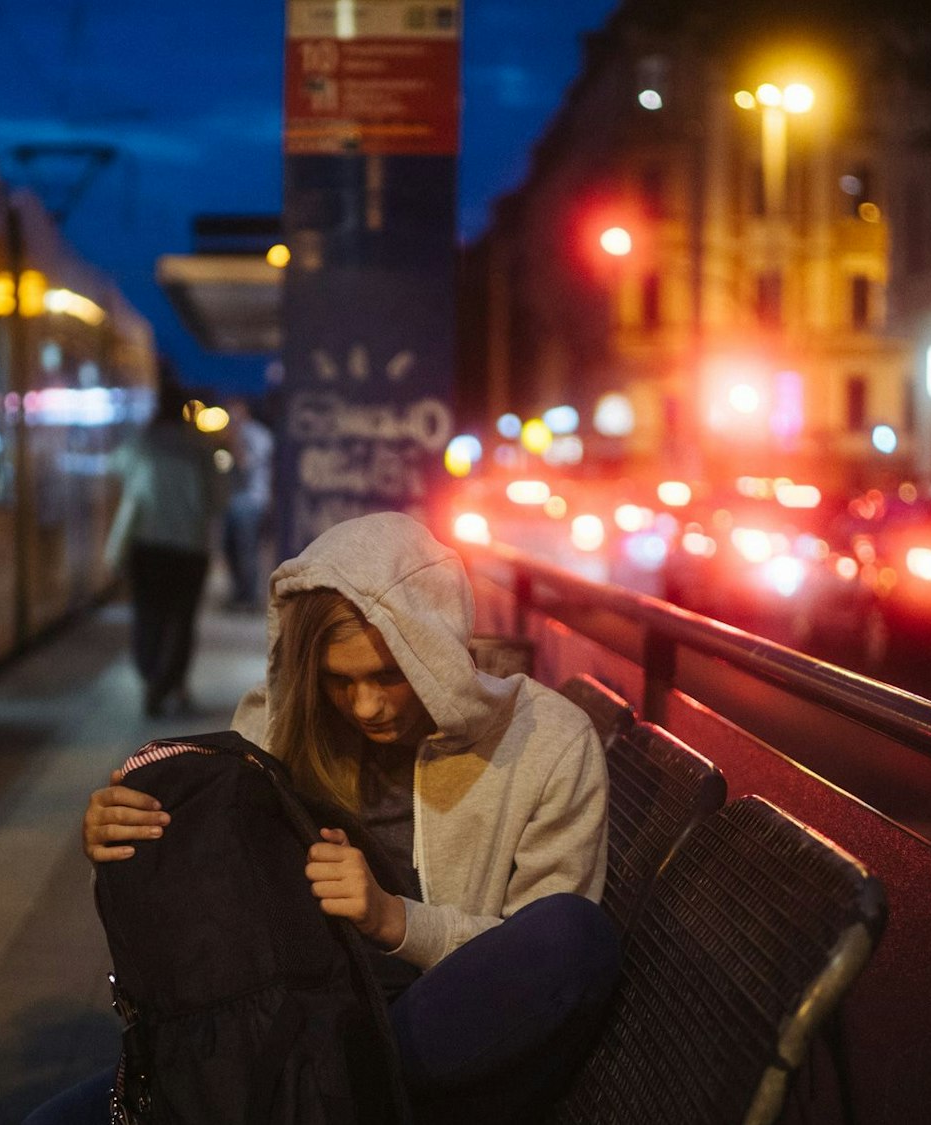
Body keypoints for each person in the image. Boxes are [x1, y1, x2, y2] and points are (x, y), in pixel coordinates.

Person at [46, 512, 617, 1124]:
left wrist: (395, 920)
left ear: (437, 651)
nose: (366, 706)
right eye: (338, 681)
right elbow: (195, 916)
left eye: (389, 676)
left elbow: (533, 962)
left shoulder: (547, 742)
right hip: (277, 1033)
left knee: (572, 932)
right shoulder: (274, 729)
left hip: (424, 1030)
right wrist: (122, 848)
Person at [105, 375, 225, 717]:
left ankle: (150, 677)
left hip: (149, 546)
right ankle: (171, 681)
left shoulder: (142, 444)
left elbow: (115, 468)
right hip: (190, 549)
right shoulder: (200, 449)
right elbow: (219, 500)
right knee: (182, 620)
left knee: (148, 614)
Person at [219, 399, 274, 611]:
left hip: (253, 500)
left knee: (247, 549)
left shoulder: (257, 435)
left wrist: (233, 440)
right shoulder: (236, 433)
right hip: (234, 501)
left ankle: (248, 597)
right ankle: (238, 593)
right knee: (230, 547)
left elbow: (245, 465)